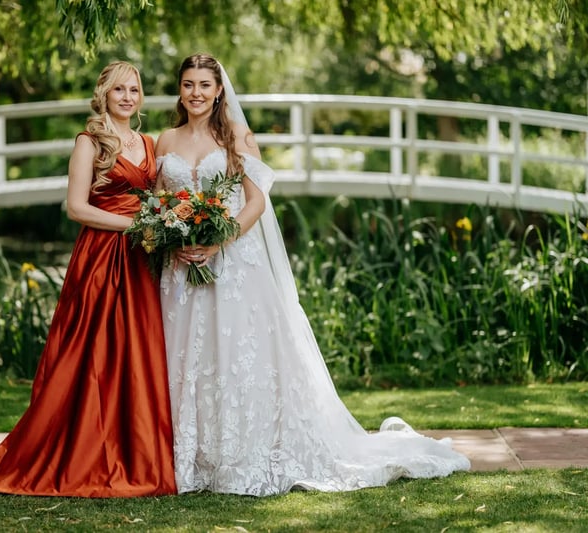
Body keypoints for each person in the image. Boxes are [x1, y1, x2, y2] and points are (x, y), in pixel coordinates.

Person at [154, 53, 471, 497]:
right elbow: (158, 203)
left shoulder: (238, 138)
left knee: (230, 355)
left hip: (230, 262)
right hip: (180, 268)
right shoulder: (164, 141)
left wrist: (217, 239)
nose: (196, 93)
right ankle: (188, 455)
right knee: (187, 359)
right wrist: (173, 235)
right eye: (188, 84)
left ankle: (237, 455)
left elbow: (255, 202)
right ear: (180, 89)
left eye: (204, 85)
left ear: (219, 89)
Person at [0, 61, 176, 497]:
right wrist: (135, 226)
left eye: (134, 89)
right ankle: (84, 444)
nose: (127, 96)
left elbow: (157, 200)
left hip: (140, 262)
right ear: (103, 94)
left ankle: (137, 447)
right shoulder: (89, 142)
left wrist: (166, 222)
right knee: (93, 352)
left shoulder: (148, 142)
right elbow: (77, 208)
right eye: (119, 89)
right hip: (102, 259)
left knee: (137, 352)